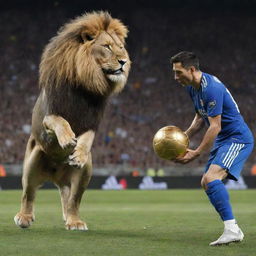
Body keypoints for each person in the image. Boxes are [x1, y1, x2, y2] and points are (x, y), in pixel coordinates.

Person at [170, 51, 254, 246]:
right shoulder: (192, 87)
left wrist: (196, 153)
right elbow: (201, 116)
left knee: (210, 178)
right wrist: (185, 137)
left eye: (178, 72)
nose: (175, 77)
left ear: (191, 69)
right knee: (206, 182)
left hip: (237, 138)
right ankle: (232, 229)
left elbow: (215, 126)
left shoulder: (211, 88)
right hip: (224, 139)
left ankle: (232, 229)